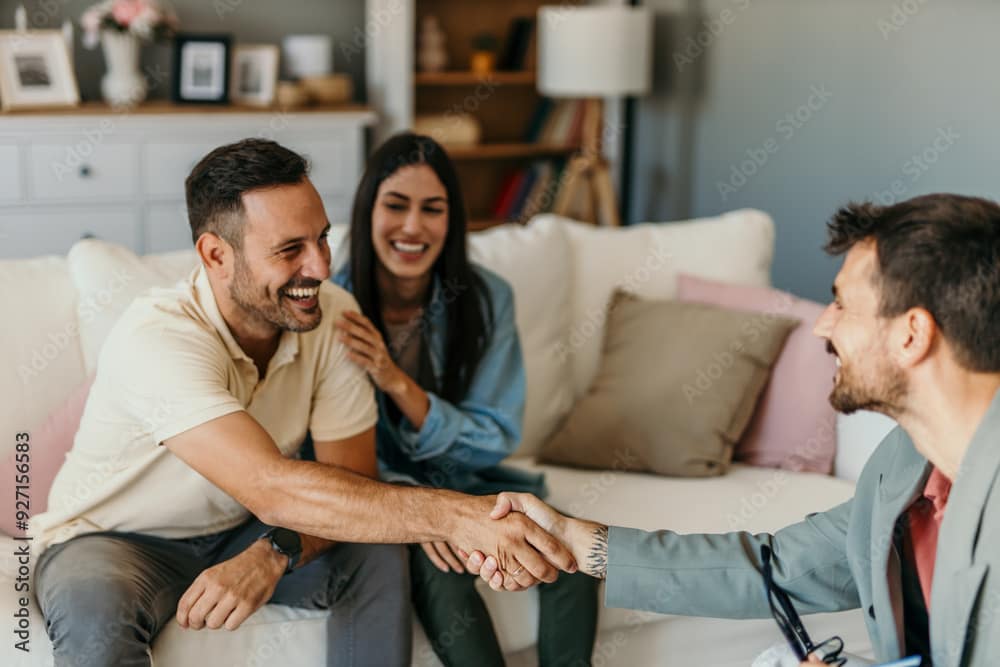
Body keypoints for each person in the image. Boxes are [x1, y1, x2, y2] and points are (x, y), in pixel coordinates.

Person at [29, 139, 576, 667]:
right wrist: (460, 517)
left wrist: (274, 552)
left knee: (376, 553)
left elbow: (352, 479)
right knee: (94, 617)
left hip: (238, 531)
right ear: (216, 255)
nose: (318, 267)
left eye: (321, 239)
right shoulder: (159, 337)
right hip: (113, 540)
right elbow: (270, 485)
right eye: (290, 249)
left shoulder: (332, 314)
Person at [466, 193, 1000, 667]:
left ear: (912, 336)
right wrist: (576, 541)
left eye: (842, 304)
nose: (821, 324)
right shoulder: (904, 465)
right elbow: (778, 566)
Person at [325, 132, 599, 666]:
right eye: (396, 205)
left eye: (433, 209)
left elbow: (493, 436)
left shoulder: (487, 297)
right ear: (367, 212)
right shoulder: (335, 304)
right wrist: (422, 511)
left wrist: (396, 381)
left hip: (469, 482)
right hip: (380, 495)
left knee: (565, 549)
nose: (412, 227)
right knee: (441, 565)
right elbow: (330, 457)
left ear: (451, 221)